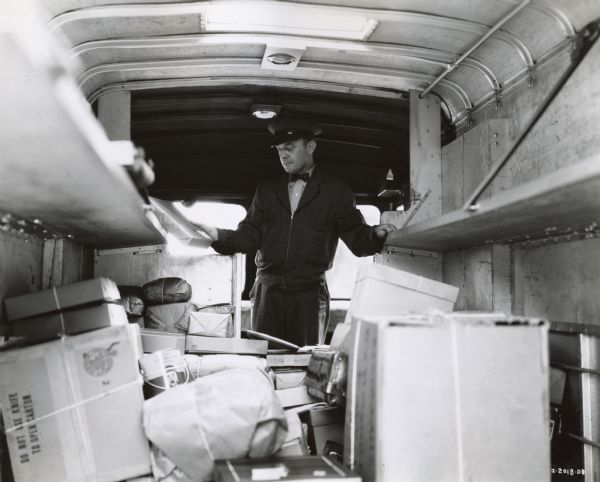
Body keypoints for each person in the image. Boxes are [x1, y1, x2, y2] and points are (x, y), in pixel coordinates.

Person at [193, 117, 396, 346]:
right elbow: (248, 237)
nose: (283, 155)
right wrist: (216, 235)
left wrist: (376, 234)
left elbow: (357, 238)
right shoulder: (266, 190)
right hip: (267, 292)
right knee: (264, 359)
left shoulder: (336, 191)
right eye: (279, 150)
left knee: (305, 360)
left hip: (309, 294)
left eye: (290, 148)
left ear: (311, 147)